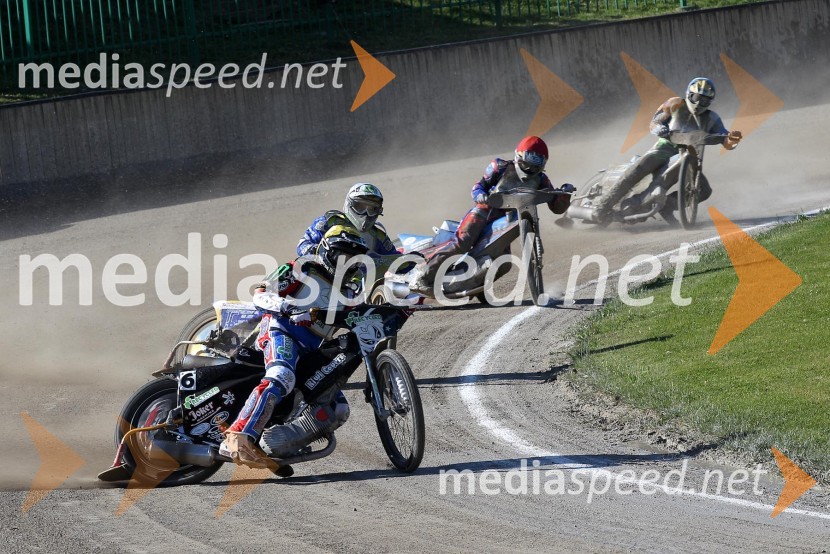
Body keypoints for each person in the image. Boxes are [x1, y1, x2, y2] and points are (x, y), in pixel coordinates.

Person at [220, 184, 397, 469]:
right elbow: (260, 293)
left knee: (337, 408)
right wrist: (287, 307)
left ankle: (275, 444)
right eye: (341, 256)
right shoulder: (302, 268)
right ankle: (237, 438)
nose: (346, 264)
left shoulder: (351, 290)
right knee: (281, 377)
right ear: (327, 251)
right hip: (282, 330)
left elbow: (359, 315)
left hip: (314, 347)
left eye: (353, 259)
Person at [409, 136, 574, 295]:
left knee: (504, 263)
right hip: (484, 211)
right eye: (528, 161)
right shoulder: (500, 166)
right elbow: (479, 185)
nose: (531, 168)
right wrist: (480, 194)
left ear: (543, 163)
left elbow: (556, 207)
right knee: (462, 244)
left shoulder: (542, 179)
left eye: (536, 163)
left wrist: (564, 194)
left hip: (510, 219)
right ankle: (421, 276)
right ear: (519, 155)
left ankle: (473, 284)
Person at [593, 77, 743, 224]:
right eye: (696, 97)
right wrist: (659, 128)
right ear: (689, 94)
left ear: (709, 102)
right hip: (664, 148)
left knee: (704, 191)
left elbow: (725, 139)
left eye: (704, 101)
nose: (698, 103)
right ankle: (603, 205)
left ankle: (667, 206)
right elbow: (655, 122)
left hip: (688, 154)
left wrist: (732, 139)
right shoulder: (675, 103)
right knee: (637, 170)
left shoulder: (712, 118)